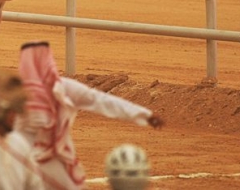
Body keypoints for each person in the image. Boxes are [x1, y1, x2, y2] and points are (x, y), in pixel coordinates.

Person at [15, 41, 164, 190]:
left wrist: (143, 114)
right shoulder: (15, 94)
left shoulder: (62, 88)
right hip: (23, 159)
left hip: (55, 159)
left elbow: (100, 100)